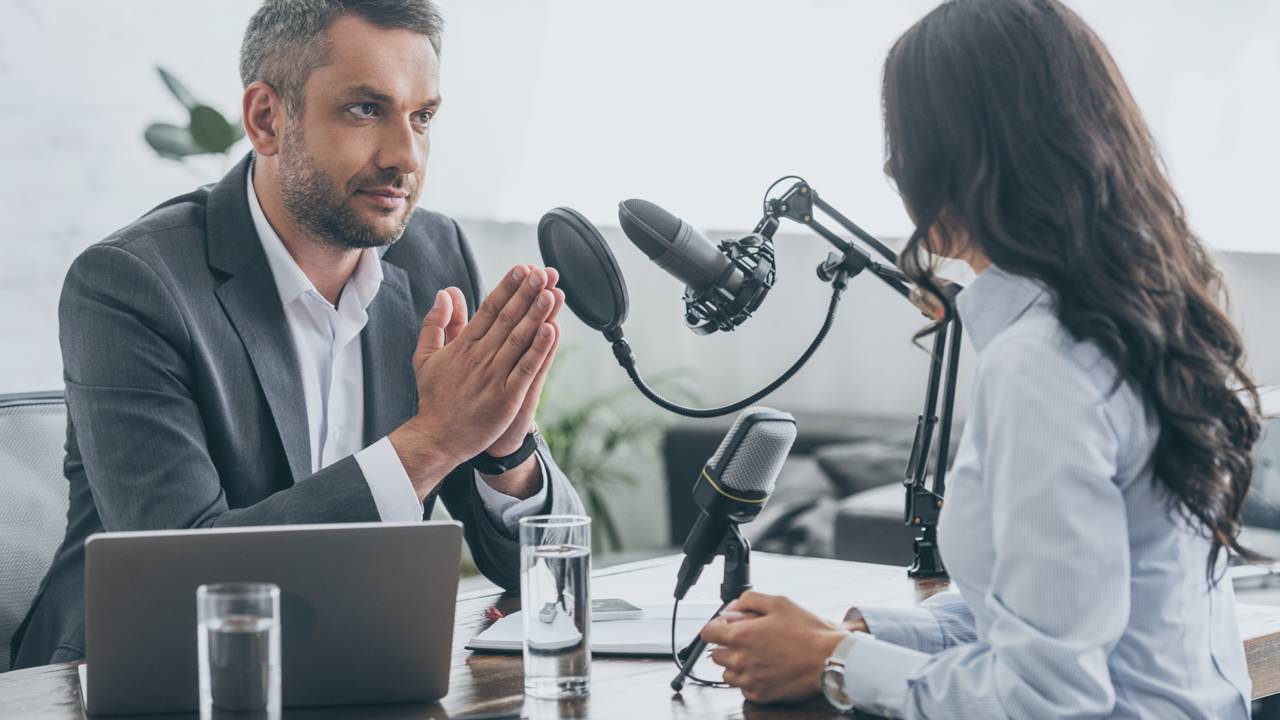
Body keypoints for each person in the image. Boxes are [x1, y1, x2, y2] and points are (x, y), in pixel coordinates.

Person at [700, 0, 1263, 717]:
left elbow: (1050, 697)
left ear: (944, 163)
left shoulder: (1043, 365)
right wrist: (858, 635)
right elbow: (1052, 619)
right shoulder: (1142, 321)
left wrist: (836, 664)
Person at [11, 0, 584, 669]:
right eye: (366, 109)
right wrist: (435, 441)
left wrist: (504, 448)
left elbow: (549, 580)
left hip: (356, 662)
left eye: (422, 116)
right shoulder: (130, 284)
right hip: (133, 677)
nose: (406, 156)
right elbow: (183, 579)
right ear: (266, 119)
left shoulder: (434, 256)